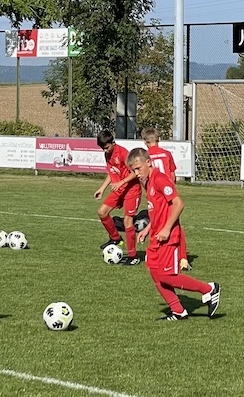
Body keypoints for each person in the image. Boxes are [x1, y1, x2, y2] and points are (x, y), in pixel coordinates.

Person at [126, 147, 220, 321]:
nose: (136, 173)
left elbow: (178, 204)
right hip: (156, 236)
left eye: (138, 168)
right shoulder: (147, 182)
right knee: (155, 273)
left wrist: (167, 228)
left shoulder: (160, 179)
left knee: (167, 276)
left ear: (149, 163)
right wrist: (147, 229)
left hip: (168, 236)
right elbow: (158, 210)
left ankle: (209, 289)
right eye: (133, 170)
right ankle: (178, 311)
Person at [141, 126, 189, 270]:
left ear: (145, 142)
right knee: (175, 224)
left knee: (162, 222)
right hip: (168, 192)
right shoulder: (167, 154)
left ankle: (168, 255)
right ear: (159, 139)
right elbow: (173, 176)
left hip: (155, 192)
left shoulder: (146, 156)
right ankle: (182, 258)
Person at [94, 129, 142, 265]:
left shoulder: (123, 153)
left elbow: (135, 172)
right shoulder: (107, 155)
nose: (105, 151)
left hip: (132, 190)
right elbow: (112, 173)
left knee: (128, 222)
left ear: (113, 143)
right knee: (102, 212)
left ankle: (133, 256)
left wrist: (121, 182)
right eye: (103, 149)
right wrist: (102, 189)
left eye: (107, 147)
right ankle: (115, 238)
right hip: (119, 189)